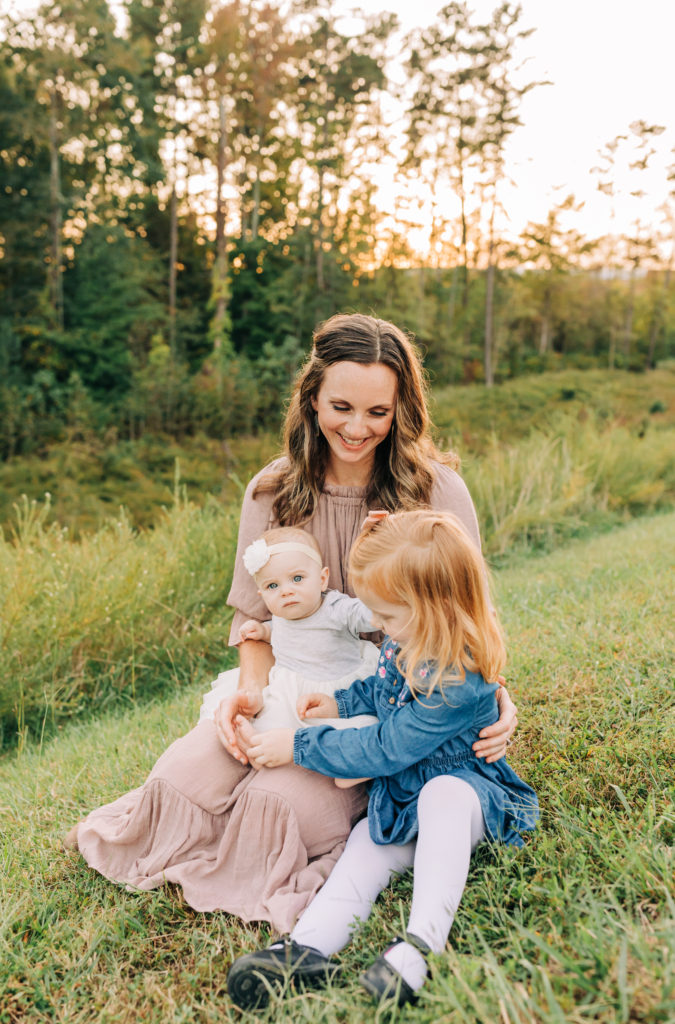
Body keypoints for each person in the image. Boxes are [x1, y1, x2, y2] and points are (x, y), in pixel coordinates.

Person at [65, 312, 518, 933]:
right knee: (181, 779)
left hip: (388, 702)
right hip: (288, 683)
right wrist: (250, 694)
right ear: (311, 397)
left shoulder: (438, 493)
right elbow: (255, 626)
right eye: (341, 407)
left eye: (378, 413)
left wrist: (494, 701)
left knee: (273, 803)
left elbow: (464, 621)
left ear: (401, 410)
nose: (358, 428)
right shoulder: (270, 491)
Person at [226, 510, 539, 1010]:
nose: (380, 627)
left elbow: (387, 747)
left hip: (467, 796)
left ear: (435, 608)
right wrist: (343, 703)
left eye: (389, 617)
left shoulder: (459, 679)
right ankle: (307, 946)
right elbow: (384, 686)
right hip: (404, 798)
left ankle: (420, 945)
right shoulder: (407, 638)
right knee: (366, 845)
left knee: (442, 796)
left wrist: (300, 745)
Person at [232, 526, 379, 735]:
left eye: (297, 578)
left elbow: (365, 615)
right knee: (272, 723)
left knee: (362, 726)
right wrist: (264, 631)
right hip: (291, 687)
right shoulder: (282, 615)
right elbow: (285, 634)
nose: (286, 591)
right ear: (262, 594)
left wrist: (381, 610)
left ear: (322, 579)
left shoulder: (335, 608)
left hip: (340, 687)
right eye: (272, 586)